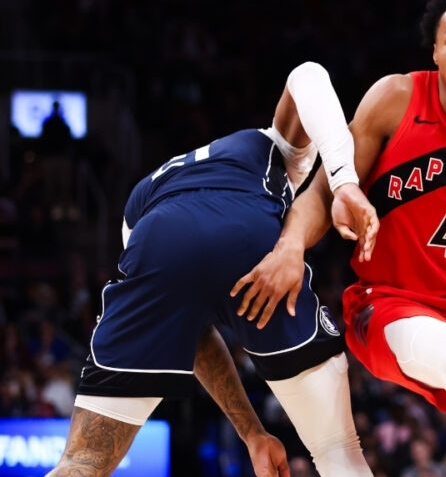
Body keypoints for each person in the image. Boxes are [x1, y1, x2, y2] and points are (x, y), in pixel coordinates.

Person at [234, 0, 446, 477]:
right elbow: (326, 192)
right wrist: (290, 247)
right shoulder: (396, 98)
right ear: (435, 52)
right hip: (387, 302)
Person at [48, 62, 377, 477]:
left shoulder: (144, 198)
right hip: (250, 239)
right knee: (336, 448)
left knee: (83, 460)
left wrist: (252, 434)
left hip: (155, 240)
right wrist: (344, 180)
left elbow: (194, 331)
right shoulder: (269, 145)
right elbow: (308, 73)